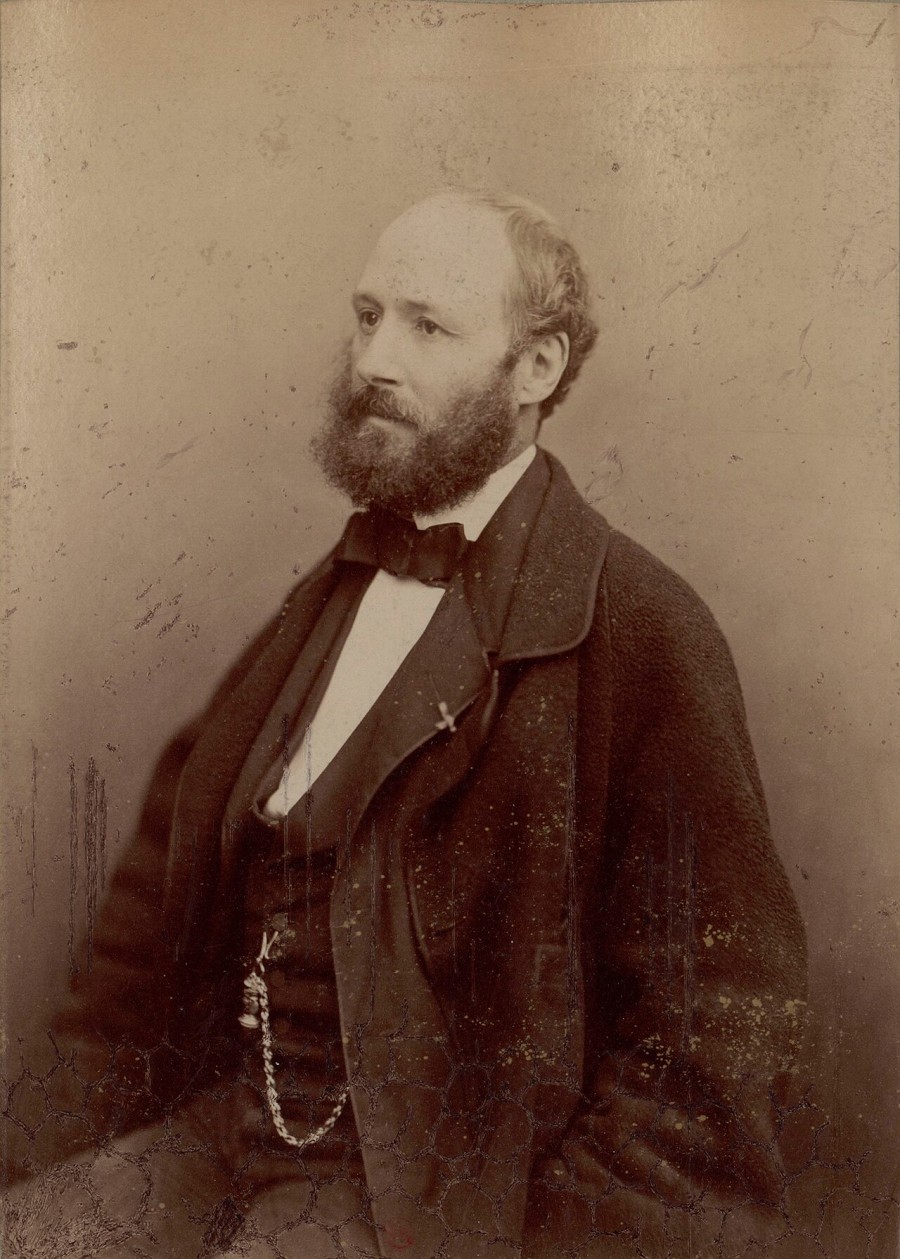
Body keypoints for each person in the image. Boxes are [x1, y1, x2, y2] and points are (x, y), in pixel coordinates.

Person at [4, 192, 807, 1259]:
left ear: (537, 368)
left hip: (425, 1193)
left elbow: (716, 1030)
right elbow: (141, 936)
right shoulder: (321, 606)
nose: (375, 360)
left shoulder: (643, 629)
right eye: (368, 316)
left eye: (428, 326)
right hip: (225, 1130)